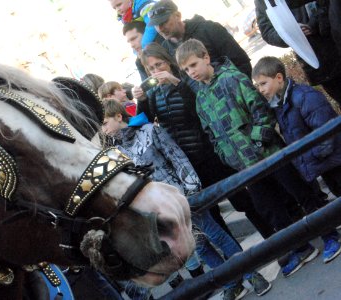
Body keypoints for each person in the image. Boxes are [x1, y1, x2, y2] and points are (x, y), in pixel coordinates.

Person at [176, 38, 341, 277]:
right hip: (244, 168)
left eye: (193, 65)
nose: (191, 72)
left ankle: (329, 235)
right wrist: (227, 156)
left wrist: (257, 140)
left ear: (206, 57)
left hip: (269, 154)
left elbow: (261, 110)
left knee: (302, 194)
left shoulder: (233, 79)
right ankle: (300, 247)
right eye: (186, 70)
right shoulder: (201, 98)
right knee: (271, 210)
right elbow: (210, 133)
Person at [102, 99, 272, 300]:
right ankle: (230, 281)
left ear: (118, 116)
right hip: (157, 207)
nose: (103, 130)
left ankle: (251, 274)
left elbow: (176, 156)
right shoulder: (116, 152)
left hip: (181, 195)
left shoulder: (149, 130)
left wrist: (190, 190)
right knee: (198, 246)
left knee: (214, 234)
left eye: (104, 123)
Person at [133, 42, 276, 247]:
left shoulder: (187, 80)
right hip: (186, 163)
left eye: (159, 64)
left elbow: (198, 108)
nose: (157, 71)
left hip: (209, 154)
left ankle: (272, 241)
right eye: (151, 69)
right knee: (212, 213)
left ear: (170, 62)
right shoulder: (155, 94)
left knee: (242, 200)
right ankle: (241, 261)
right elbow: (144, 124)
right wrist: (142, 100)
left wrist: (176, 83)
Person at [253, 56, 341, 199]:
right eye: (258, 86)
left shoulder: (304, 97)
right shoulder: (280, 105)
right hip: (325, 165)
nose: (261, 90)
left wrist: (314, 155)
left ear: (279, 77)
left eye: (263, 83)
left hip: (333, 161)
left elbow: (327, 130)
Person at [254, 0, 341, 105]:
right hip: (315, 57)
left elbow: (326, 4)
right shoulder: (262, 1)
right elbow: (267, 30)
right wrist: (290, 35)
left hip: (331, 38)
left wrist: (314, 23)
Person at [146, 0, 252, 79]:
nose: (160, 28)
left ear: (177, 16)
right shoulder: (165, 50)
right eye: (156, 25)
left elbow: (241, 63)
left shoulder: (209, 29)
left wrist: (239, 93)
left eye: (163, 22)